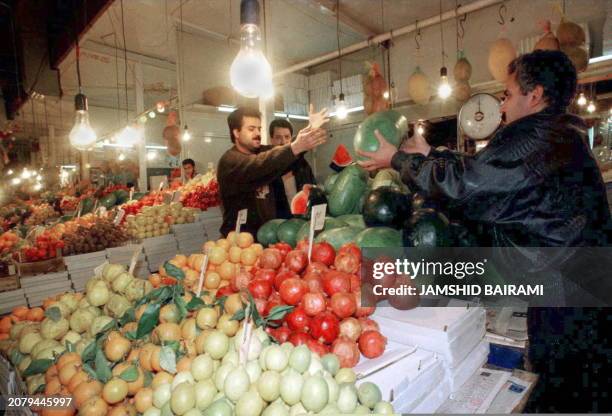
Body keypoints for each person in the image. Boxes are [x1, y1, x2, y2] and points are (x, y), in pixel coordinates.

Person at [358, 50, 612, 412]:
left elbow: (468, 187)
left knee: (562, 387)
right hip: (579, 285)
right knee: (578, 382)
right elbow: (486, 171)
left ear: (535, 94)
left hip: (567, 298)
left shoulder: (536, 138)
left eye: (507, 95)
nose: (503, 107)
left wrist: (399, 161)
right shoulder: (559, 134)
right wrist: (431, 153)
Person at [217, 107, 327, 236]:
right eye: (251, 129)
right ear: (236, 132)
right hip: (238, 239)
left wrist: (310, 129)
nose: (257, 133)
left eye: (259, 129)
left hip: (265, 236)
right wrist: (296, 146)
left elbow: (281, 153)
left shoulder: (261, 151)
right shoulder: (230, 161)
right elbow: (262, 164)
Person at [268, 119, 316, 219]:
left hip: (303, 219)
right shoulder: (268, 167)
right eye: (278, 137)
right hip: (278, 223)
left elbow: (313, 191)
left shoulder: (303, 165)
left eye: (287, 137)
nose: (283, 142)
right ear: (271, 140)